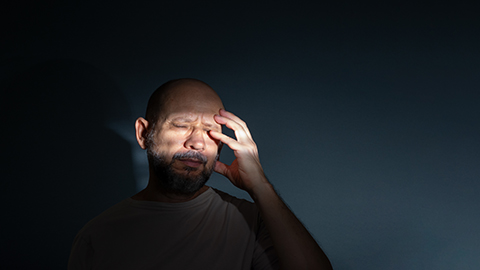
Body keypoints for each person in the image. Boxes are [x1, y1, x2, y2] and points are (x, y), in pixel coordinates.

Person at [68, 78, 332, 270]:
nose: (197, 142)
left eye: (210, 131)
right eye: (182, 125)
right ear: (143, 134)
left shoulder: (251, 221)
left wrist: (260, 186)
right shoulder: (98, 236)